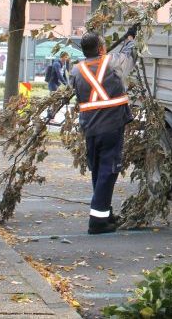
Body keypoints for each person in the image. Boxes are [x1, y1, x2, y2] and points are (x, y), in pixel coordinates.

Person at [69, 27, 137, 235]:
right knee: (108, 171)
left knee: (98, 170)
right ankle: (97, 222)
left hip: (90, 128)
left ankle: (104, 214)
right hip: (112, 126)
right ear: (100, 48)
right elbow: (130, 57)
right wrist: (131, 39)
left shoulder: (76, 70)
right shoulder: (113, 62)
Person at [46, 51, 70, 121]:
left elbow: (65, 75)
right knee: (54, 101)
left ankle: (51, 117)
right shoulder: (57, 64)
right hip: (52, 84)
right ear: (62, 57)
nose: (66, 59)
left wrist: (67, 83)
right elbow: (59, 75)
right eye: (66, 57)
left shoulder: (63, 64)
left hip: (57, 84)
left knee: (56, 101)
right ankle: (50, 118)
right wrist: (65, 83)